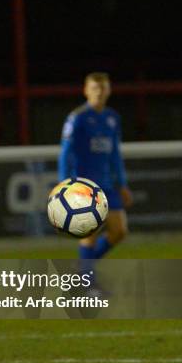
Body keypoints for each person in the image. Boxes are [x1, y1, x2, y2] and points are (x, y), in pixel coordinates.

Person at [58, 72, 133, 285]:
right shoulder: (77, 118)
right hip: (83, 185)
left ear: (109, 90)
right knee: (90, 230)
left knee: (119, 231)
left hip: (108, 184)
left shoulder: (112, 118)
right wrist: (65, 182)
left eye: (103, 88)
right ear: (85, 91)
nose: (99, 92)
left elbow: (115, 154)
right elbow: (65, 153)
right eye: (94, 88)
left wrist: (122, 184)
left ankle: (83, 269)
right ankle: (87, 284)